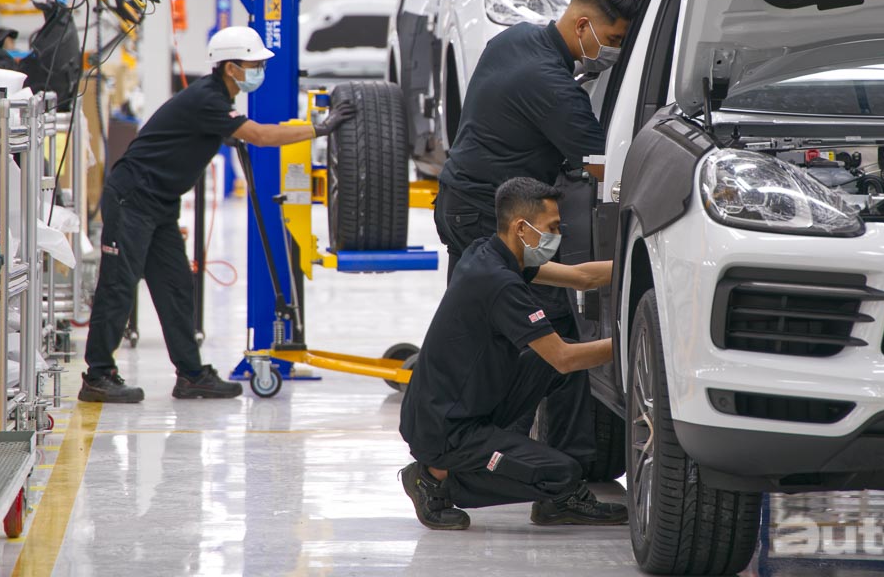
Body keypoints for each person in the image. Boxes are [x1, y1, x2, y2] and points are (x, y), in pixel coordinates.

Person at [79, 26, 356, 403]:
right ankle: (98, 376)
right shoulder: (207, 98)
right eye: (254, 65)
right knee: (119, 285)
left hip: (159, 203)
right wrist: (320, 129)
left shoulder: (217, 99)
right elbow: (260, 136)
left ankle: (191, 375)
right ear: (230, 68)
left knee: (176, 287)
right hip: (133, 198)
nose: (259, 71)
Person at [400, 178, 626, 530]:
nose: (558, 236)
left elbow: (581, 277)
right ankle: (434, 478)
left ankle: (564, 498)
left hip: (467, 403)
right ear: (522, 228)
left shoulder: (489, 252)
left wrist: (641, 263)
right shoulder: (499, 283)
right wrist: (630, 342)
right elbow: (564, 356)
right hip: (448, 429)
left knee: (556, 368)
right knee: (561, 471)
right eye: (552, 227)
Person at [434, 0, 637, 279]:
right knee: (519, 304)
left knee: (469, 301)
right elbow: (606, 168)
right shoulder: (556, 88)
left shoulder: (514, 37)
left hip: (456, 199)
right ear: (582, 26)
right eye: (613, 40)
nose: (616, 51)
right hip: (489, 214)